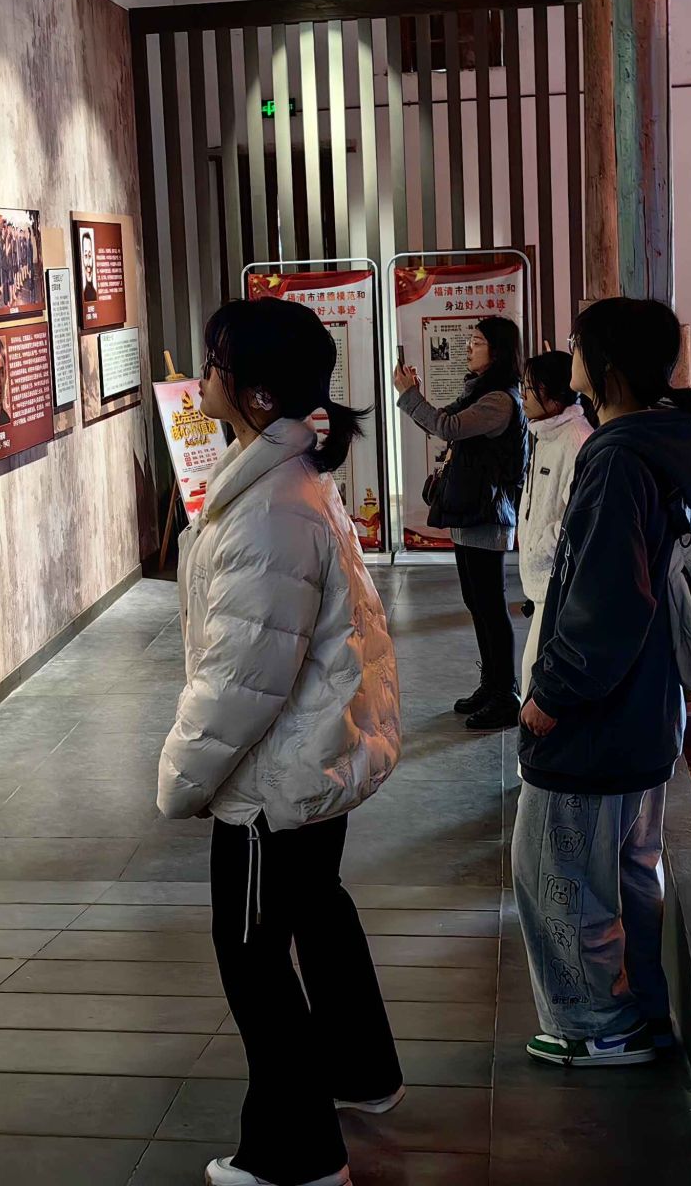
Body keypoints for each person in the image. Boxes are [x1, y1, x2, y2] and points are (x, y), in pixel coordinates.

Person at [157, 296, 402, 1186]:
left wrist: (182, 776)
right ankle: (360, 1072)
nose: (204, 375)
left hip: (272, 784)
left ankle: (296, 1157)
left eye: (215, 361)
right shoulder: (284, 480)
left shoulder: (268, 508)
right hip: (309, 759)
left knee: (253, 957)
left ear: (256, 394)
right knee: (316, 910)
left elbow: (242, 677)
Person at [515, 297, 691, 1067]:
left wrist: (552, 693)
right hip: (644, 711)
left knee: (561, 873)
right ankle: (642, 1013)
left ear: (606, 367)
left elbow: (606, 601)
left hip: (598, 719)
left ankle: (597, 1024)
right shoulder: (665, 445)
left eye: (576, 346)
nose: (568, 357)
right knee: (628, 870)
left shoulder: (618, 458)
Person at [393, 316, 528, 730]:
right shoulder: (479, 392)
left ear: (498, 351)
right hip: (472, 510)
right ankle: (491, 685)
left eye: (477, 341)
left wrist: (410, 394)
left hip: (487, 513)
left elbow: (447, 426)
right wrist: (413, 395)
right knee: (477, 601)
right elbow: (441, 422)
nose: (469, 347)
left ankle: (505, 694)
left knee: (490, 606)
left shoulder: (499, 401)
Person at [516, 349, 592, 702]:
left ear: (556, 395)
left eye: (531, 387)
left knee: (537, 685)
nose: (523, 395)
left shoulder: (576, 440)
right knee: (533, 678)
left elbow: (576, 518)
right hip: (541, 581)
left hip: (557, 582)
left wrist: (542, 547)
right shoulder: (546, 435)